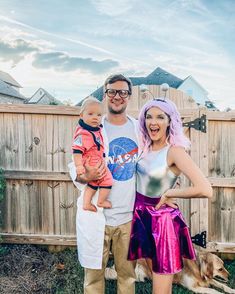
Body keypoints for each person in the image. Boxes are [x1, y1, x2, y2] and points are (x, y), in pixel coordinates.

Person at [127, 98, 213, 294]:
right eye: (149, 117)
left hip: (162, 221)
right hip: (141, 216)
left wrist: (169, 193)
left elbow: (205, 188)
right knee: (151, 273)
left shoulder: (174, 151)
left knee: (160, 286)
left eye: (160, 117)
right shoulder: (145, 147)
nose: (153, 122)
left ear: (170, 121)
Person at [73, 74, 139, 294]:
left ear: (129, 96)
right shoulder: (91, 125)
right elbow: (74, 164)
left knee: (128, 275)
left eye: (123, 92)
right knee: (93, 278)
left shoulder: (139, 129)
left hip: (127, 216)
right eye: (112, 91)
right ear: (105, 94)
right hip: (96, 214)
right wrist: (87, 176)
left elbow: (152, 166)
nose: (117, 96)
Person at [72, 97, 112, 212]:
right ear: (81, 115)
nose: (95, 117)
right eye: (90, 114)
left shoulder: (96, 130)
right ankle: (101, 201)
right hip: (92, 161)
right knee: (107, 180)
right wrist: (79, 166)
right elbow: (77, 151)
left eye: (99, 115)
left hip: (96, 160)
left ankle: (87, 203)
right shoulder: (83, 133)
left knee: (93, 182)